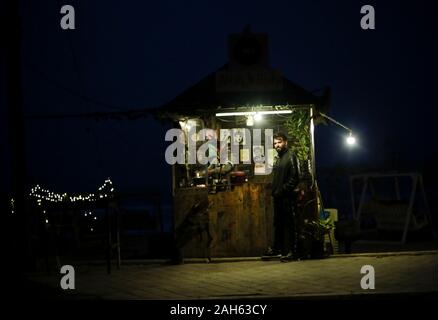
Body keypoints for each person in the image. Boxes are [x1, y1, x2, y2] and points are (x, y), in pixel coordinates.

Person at [262, 132, 300, 262]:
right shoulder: (279, 158)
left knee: (291, 224)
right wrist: (275, 191)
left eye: (279, 142)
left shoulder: (291, 156)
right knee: (278, 224)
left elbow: (295, 177)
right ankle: (278, 250)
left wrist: (282, 190)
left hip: (288, 198)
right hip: (279, 198)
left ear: (285, 142)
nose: (277, 145)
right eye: (275, 143)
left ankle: (293, 252)